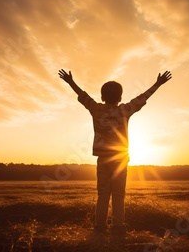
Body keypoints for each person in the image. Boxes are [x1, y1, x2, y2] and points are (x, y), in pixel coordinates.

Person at [58, 69, 172, 235]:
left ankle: (99, 226)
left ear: (102, 97)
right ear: (120, 97)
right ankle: (118, 227)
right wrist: (158, 84)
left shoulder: (96, 109)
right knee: (119, 194)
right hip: (120, 159)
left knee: (103, 194)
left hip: (103, 158)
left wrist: (70, 81)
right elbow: (143, 97)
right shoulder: (124, 110)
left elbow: (83, 95)